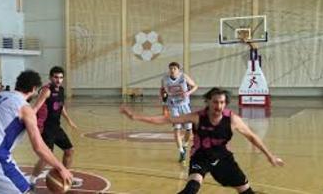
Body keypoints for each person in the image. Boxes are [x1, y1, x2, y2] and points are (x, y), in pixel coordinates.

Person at [120, 87, 285, 194]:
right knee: (192, 188)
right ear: (209, 102)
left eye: (221, 102)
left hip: (223, 158)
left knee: (246, 191)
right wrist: (136, 117)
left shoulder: (232, 119)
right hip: (201, 156)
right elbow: (167, 120)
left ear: (225, 104)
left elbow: (252, 136)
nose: (218, 106)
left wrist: (270, 156)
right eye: (215, 102)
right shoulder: (198, 117)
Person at [0, 70, 73, 193]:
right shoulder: (25, 108)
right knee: (25, 191)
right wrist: (61, 168)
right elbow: (39, 147)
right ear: (34, 89)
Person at [30, 66, 82, 187]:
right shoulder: (46, 90)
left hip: (56, 127)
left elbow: (60, 105)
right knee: (45, 157)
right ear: (50, 77)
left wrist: (69, 120)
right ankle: (31, 182)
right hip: (45, 128)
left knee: (69, 151)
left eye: (60, 77)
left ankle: (65, 176)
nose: (58, 80)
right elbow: (36, 107)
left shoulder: (61, 90)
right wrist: (32, 125)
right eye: (55, 77)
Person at [162, 62, 198, 162]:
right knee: (177, 129)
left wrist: (188, 92)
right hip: (173, 106)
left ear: (178, 70)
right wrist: (164, 100)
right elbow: (164, 91)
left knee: (189, 129)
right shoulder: (165, 79)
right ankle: (181, 151)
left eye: (174, 68)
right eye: (171, 69)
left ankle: (185, 145)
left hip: (185, 106)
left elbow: (195, 86)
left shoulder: (183, 77)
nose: (172, 70)